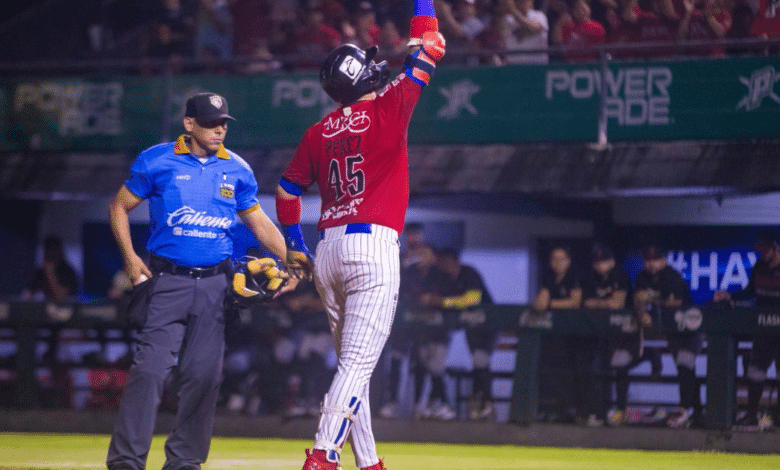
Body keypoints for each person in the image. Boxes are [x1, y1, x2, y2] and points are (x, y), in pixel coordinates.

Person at [273, 0, 446, 466]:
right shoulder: (390, 106)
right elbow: (429, 43)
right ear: (359, 77)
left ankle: (369, 462)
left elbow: (287, 191)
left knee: (355, 368)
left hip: (329, 249)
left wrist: (295, 247)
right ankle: (324, 454)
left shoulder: (318, 130)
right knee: (355, 366)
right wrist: (423, 3)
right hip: (372, 248)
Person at [105, 92, 293, 470]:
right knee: (149, 371)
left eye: (223, 123)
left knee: (204, 377)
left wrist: (290, 262)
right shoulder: (157, 160)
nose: (219, 129)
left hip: (215, 287)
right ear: (189, 124)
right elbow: (119, 207)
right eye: (210, 123)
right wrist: (129, 257)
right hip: (167, 282)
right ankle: (126, 461)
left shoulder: (237, 169)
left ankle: (185, 462)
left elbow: (259, 222)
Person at [713, 232, 780, 431]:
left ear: (775, 248)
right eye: (760, 250)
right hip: (762, 329)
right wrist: (729, 296)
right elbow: (750, 292)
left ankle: (777, 420)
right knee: (755, 372)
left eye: (765, 250)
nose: (762, 254)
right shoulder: (759, 267)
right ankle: (751, 416)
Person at [420, 247, 494, 420]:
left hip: (486, 323)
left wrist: (444, 302)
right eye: (441, 263)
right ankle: (441, 402)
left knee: (480, 359)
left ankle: (484, 403)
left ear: (455, 261)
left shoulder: (469, 273)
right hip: (466, 324)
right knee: (435, 362)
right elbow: (432, 296)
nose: (443, 266)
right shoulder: (442, 277)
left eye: (446, 262)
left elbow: (473, 299)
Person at [634, 243, 703, 429]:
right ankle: (695, 412)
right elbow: (638, 299)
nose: (651, 264)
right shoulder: (642, 276)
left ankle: (685, 410)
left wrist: (651, 300)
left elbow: (675, 302)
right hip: (673, 330)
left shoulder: (671, 275)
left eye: (655, 260)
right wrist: (642, 313)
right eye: (648, 260)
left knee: (685, 364)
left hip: (691, 327)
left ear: (663, 261)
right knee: (684, 368)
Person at [580, 243, 632, 427]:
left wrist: (597, 303)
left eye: (603, 261)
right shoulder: (590, 277)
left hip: (625, 333)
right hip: (601, 334)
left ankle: (621, 412)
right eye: (597, 261)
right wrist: (605, 303)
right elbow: (585, 303)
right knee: (595, 369)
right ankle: (599, 412)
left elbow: (617, 304)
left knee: (620, 367)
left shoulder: (620, 274)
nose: (600, 265)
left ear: (611, 262)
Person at [532, 245, 583, 423]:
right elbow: (541, 300)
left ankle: (575, 410)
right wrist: (541, 302)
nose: (557, 263)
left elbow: (575, 302)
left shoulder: (574, 276)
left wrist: (550, 304)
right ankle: (552, 410)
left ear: (568, 261)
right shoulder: (548, 277)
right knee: (552, 372)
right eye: (554, 259)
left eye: (561, 259)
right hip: (554, 336)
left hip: (575, 334)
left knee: (572, 372)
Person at [21, 236, 79, 303]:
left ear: (59, 251)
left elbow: (61, 297)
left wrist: (50, 273)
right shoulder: (40, 272)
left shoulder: (67, 272)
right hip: (44, 308)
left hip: (65, 308)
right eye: (47, 250)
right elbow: (27, 295)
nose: (49, 254)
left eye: (52, 250)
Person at [500, 0, 549, 64]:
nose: (521, 2)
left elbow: (535, 28)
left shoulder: (539, 15)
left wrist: (513, 11)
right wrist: (503, 8)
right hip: (514, 65)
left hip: (537, 65)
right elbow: (499, 35)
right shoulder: (507, 19)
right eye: (518, 1)